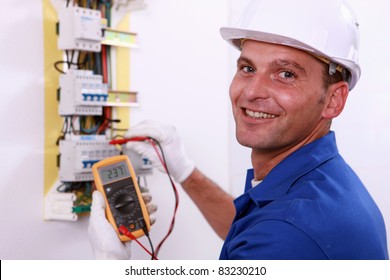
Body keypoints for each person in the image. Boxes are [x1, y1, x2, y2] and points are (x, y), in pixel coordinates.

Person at [88, 0, 388, 259]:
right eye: (247, 68)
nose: (252, 92)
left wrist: (111, 266)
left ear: (333, 100)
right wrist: (184, 171)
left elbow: (273, 236)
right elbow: (250, 228)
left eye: (285, 74)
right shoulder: (320, 183)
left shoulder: (287, 232)